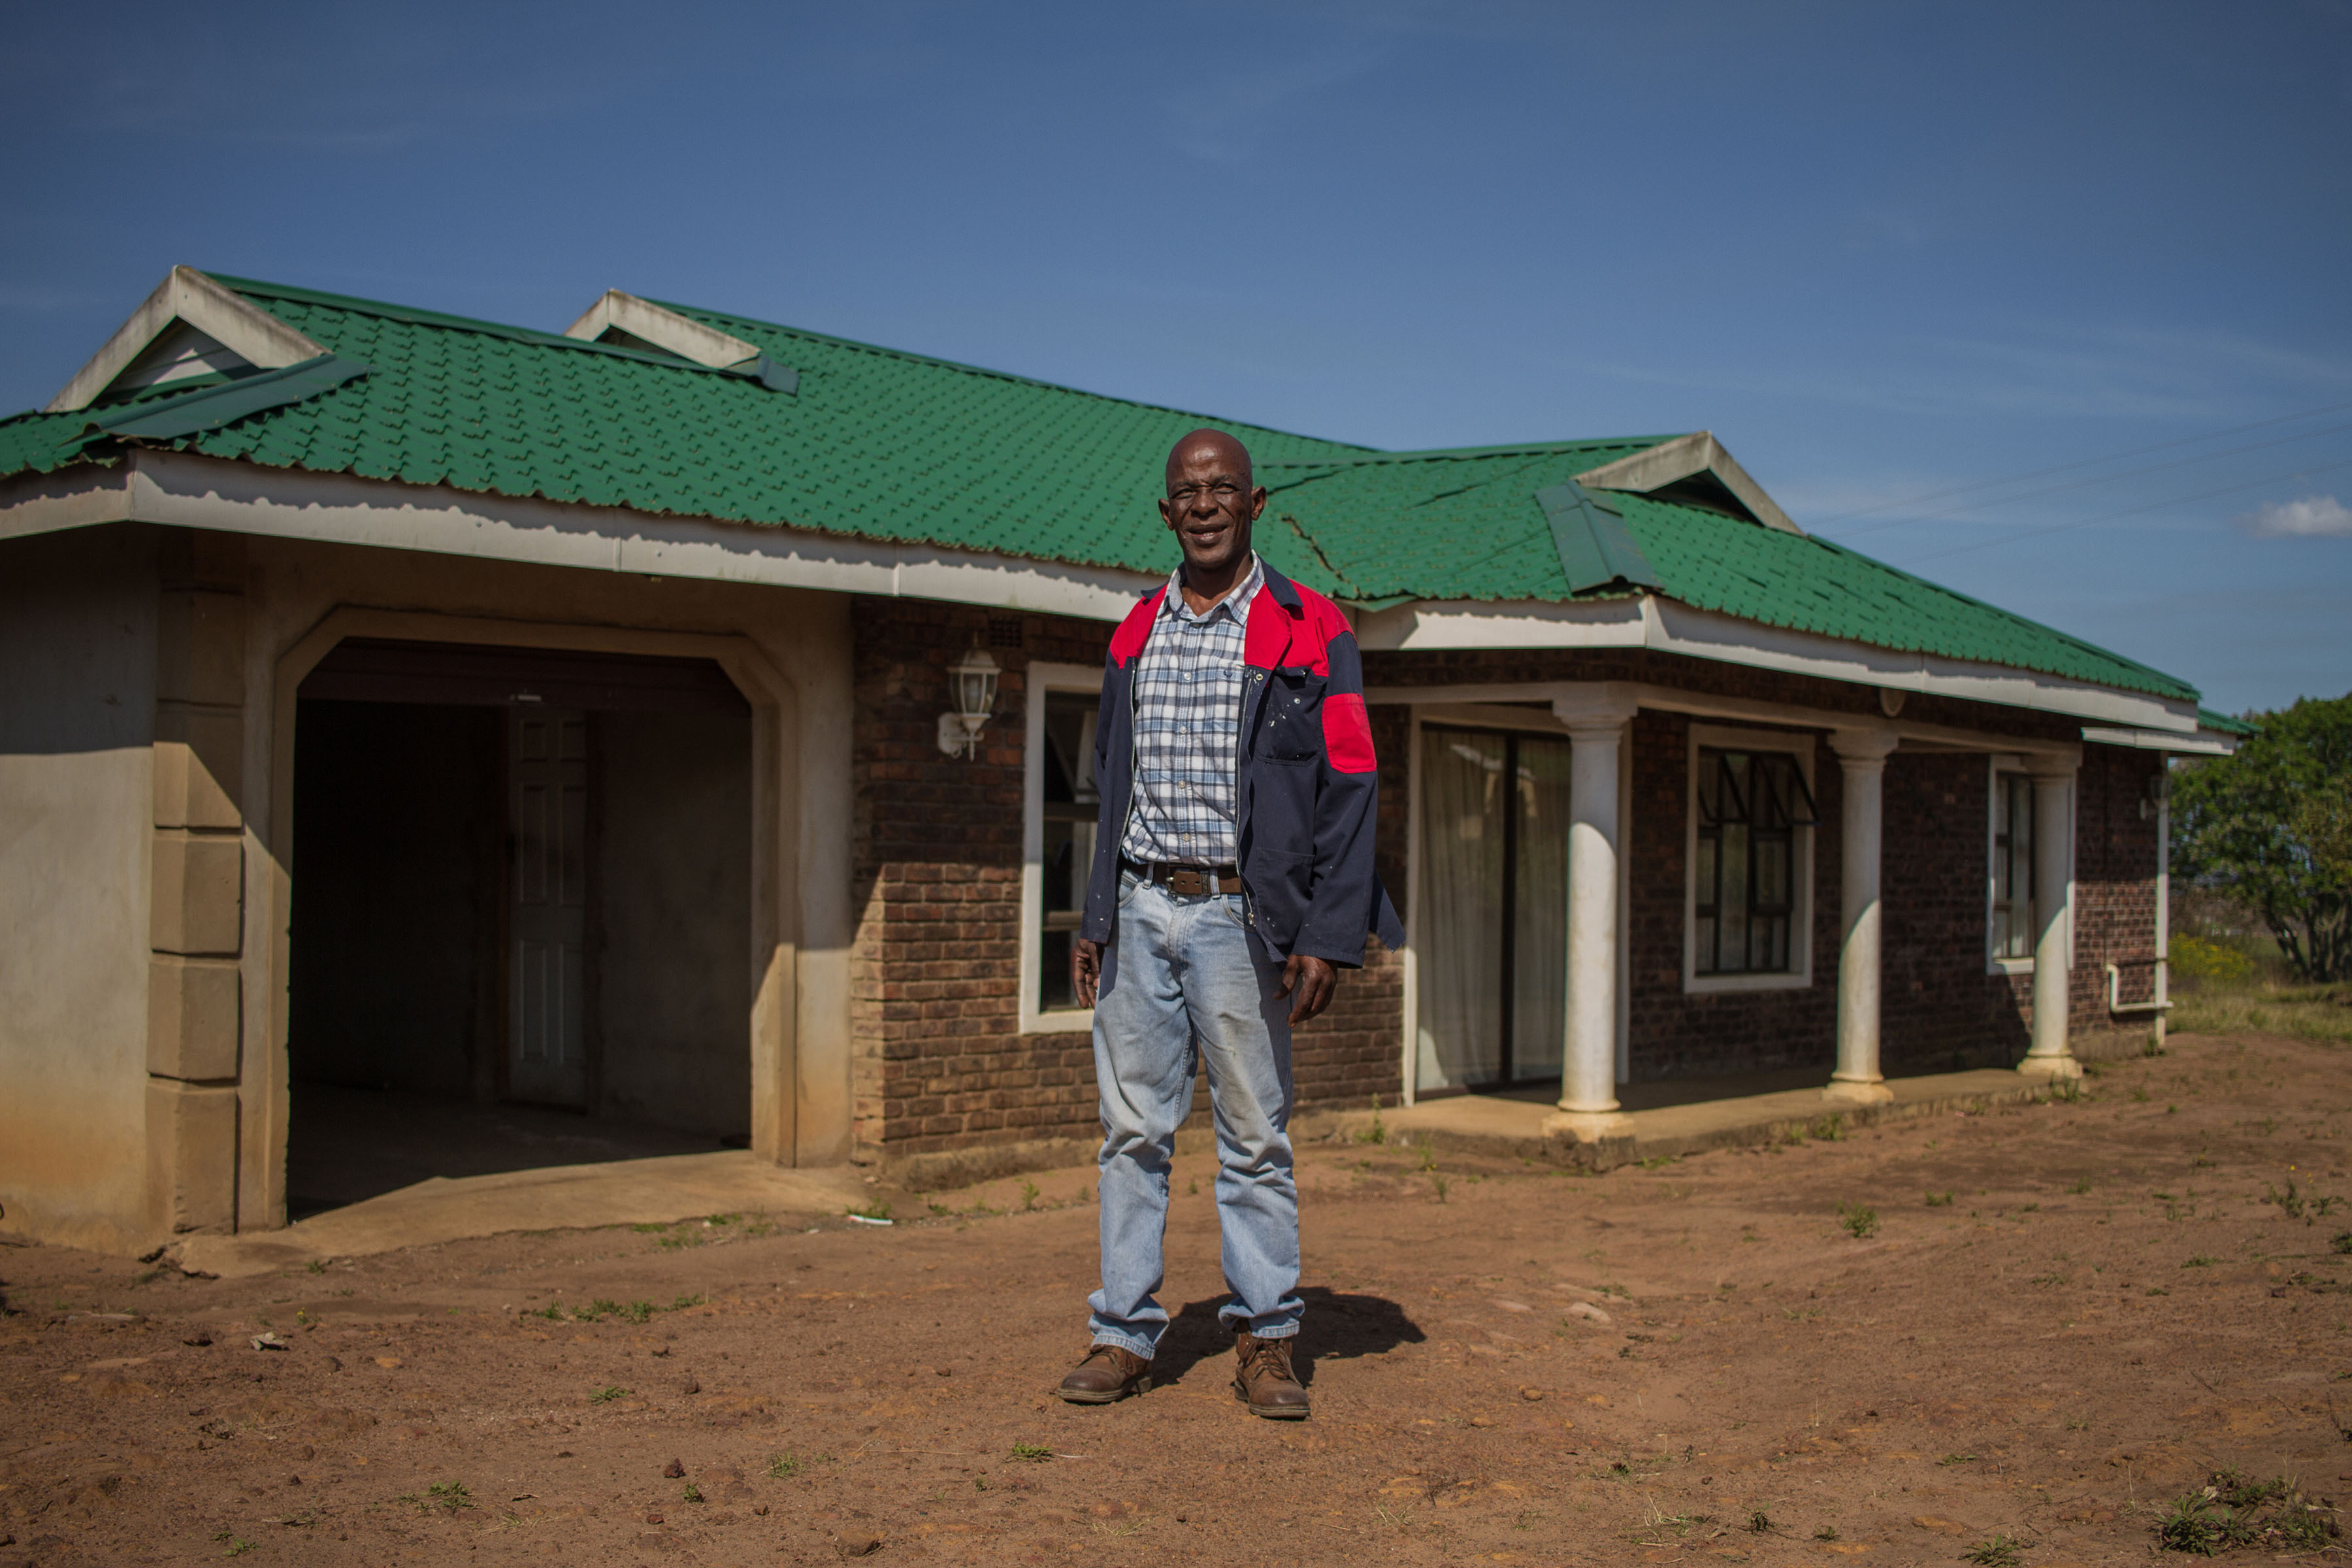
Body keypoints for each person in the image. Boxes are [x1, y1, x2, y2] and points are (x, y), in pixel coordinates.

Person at [1053, 427, 1402, 1420]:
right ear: (1166, 513)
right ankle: (1123, 1337)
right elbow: (1110, 787)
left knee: (1254, 1137)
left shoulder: (1311, 628)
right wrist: (1096, 913)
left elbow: (1352, 783)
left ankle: (1266, 1338)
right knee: (1132, 1134)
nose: (1204, 505)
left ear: (1257, 504)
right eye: (1185, 493)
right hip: (1140, 903)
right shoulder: (1133, 632)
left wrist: (1331, 934)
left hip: (1242, 921)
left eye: (1223, 489)